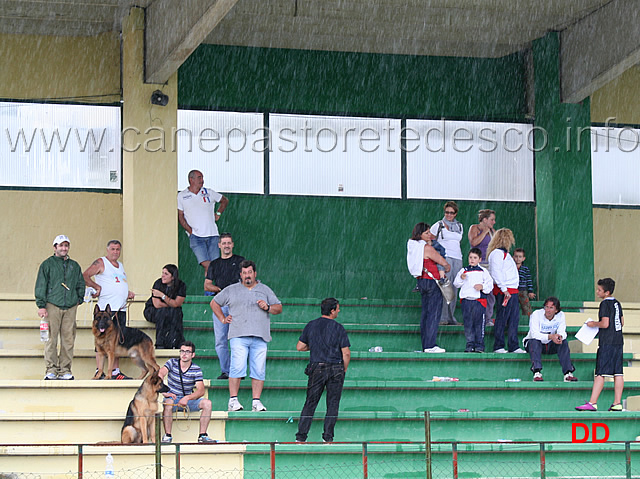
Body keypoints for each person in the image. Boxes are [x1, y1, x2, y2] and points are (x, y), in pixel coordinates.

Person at [211, 260, 282, 412]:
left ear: (255, 274)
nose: (247, 276)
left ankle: (256, 402)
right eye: (244, 273)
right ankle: (233, 400)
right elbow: (214, 303)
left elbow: (279, 307)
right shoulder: (231, 289)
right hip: (238, 335)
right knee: (237, 368)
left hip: (260, 337)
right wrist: (223, 319)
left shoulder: (265, 289)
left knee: (259, 370)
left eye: (249, 272)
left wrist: (268, 307)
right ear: (240, 275)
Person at [295, 298, 351, 443]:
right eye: (337, 308)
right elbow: (346, 353)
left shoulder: (311, 325)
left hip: (317, 368)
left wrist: (314, 346)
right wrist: (343, 369)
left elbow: (300, 347)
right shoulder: (339, 328)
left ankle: (301, 437)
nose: (339, 311)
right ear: (332, 311)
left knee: (310, 403)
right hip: (336, 367)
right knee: (332, 404)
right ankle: (328, 437)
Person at [83, 240, 136, 379]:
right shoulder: (101, 262)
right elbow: (85, 275)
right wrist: (96, 287)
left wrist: (127, 292)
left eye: (118, 249)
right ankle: (99, 370)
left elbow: (116, 284)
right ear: (107, 250)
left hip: (121, 309)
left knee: (117, 342)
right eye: (112, 249)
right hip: (106, 311)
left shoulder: (120, 266)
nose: (115, 252)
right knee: (101, 340)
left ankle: (115, 371)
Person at [35, 235, 85, 380]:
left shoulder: (74, 266)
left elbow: (80, 283)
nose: (64, 248)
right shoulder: (47, 264)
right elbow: (41, 285)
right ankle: (51, 369)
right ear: (55, 247)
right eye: (61, 245)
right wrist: (41, 305)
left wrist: (78, 299)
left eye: (66, 245)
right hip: (52, 305)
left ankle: (65, 370)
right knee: (51, 339)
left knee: (68, 339)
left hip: (70, 306)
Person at [576, 278, 624, 412]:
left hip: (607, 342)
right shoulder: (617, 303)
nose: (597, 292)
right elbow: (622, 322)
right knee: (618, 373)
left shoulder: (604, 304)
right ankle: (617, 403)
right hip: (618, 341)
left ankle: (593, 402)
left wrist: (593, 324)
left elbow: (605, 324)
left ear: (607, 292)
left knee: (600, 373)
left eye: (599, 290)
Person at [204, 233, 245, 379]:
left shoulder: (240, 261)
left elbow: (248, 279)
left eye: (229, 243)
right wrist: (221, 290)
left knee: (239, 339)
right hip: (220, 306)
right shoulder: (214, 264)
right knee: (220, 340)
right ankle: (226, 371)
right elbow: (207, 285)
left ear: (232, 245)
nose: (226, 246)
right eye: (224, 243)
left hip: (238, 306)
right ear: (219, 245)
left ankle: (238, 371)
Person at [177, 170, 229, 284]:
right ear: (191, 179)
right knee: (208, 264)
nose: (202, 180)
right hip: (196, 237)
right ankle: (215, 288)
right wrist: (190, 231)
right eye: (199, 177)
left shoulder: (209, 192)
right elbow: (180, 216)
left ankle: (210, 290)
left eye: (202, 177)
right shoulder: (181, 196)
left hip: (213, 235)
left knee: (214, 265)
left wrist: (218, 213)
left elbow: (224, 200)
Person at [159, 341, 216, 443]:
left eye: (187, 352)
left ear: (193, 355)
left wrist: (187, 398)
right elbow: (160, 373)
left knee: (207, 403)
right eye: (182, 351)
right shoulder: (172, 362)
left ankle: (202, 435)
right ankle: (167, 435)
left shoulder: (196, 369)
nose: (184, 354)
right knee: (168, 403)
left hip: (187, 400)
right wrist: (163, 391)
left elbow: (201, 390)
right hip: (173, 398)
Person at [407, 223, 450, 353]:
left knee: (426, 314)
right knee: (434, 314)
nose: (429, 235)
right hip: (432, 281)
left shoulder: (413, 246)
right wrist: (446, 267)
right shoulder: (426, 247)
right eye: (426, 233)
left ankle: (426, 344)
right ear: (420, 234)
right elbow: (443, 262)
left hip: (421, 281)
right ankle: (430, 345)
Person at [488, 228, 525, 354]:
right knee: (502, 318)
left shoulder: (505, 254)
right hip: (506, 291)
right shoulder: (498, 254)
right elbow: (496, 272)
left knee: (514, 318)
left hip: (512, 290)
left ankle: (513, 345)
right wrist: (504, 289)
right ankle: (499, 345)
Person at [523, 297, 578, 382]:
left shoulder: (561, 315)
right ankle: (537, 373)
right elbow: (534, 334)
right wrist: (551, 336)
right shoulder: (536, 314)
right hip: (534, 344)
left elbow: (563, 331)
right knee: (534, 342)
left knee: (563, 342)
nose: (548, 310)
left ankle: (568, 373)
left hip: (550, 344)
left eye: (551, 308)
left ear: (556, 310)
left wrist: (559, 337)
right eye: (546, 307)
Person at [453, 248, 493, 353]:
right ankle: (469, 345)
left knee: (479, 324)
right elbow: (456, 283)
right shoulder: (463, 271)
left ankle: (479, 345)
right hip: (466, 301)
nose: (472, 260)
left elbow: (490, 285)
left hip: (478, 301)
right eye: (470, 257)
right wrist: (461, 278)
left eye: (475, 258)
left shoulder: (484, 272)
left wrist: (482, 286)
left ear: (480, 259)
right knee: (468, 324)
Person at [431, 201, 464, 326]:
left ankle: (451, 317)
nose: (449, 215)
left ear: (455, 214)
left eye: (451, 212)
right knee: (445, 287)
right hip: (445, 258)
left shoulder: (460, 226)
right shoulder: (438, 225)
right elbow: (431, 240)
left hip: (458, 258)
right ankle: (442, 317)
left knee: (455, 288)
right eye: (447, 212)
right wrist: (439, 257)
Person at [468, 209, 496, 324]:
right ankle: (474, 318)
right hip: (478, 264)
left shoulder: (492, 231)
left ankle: (487, 318)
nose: (494, 222)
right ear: (485, 220)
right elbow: (473, 243)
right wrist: (484, 232)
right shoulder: (474, 228)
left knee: (489, 292)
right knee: (476, 291)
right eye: (492, 219)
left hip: (489, 264)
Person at [149, 264, 186, 349]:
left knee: (177, 313)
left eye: (166, 274)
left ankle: (177, 342)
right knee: (164, 312)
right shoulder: (158, 283)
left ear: (173, 277)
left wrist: (162, 296)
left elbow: (177, 304)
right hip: (152, 310)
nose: (163, 276)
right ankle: (160, 343)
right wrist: (171, 304)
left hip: (171, 312)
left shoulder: (181, 285)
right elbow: (157, 305)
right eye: (162, 273)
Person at [514, 248, 535, 317]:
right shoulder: (511, 268)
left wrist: (530, 291)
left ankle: (530, 321)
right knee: (513, 307)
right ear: (513, 257)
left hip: (522, 290)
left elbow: (529, 280)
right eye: (516, 256)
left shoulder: (525, 269)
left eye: (520, 257)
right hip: (513, 290)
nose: (518, 258)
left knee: (526, 307)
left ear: (523, 258)